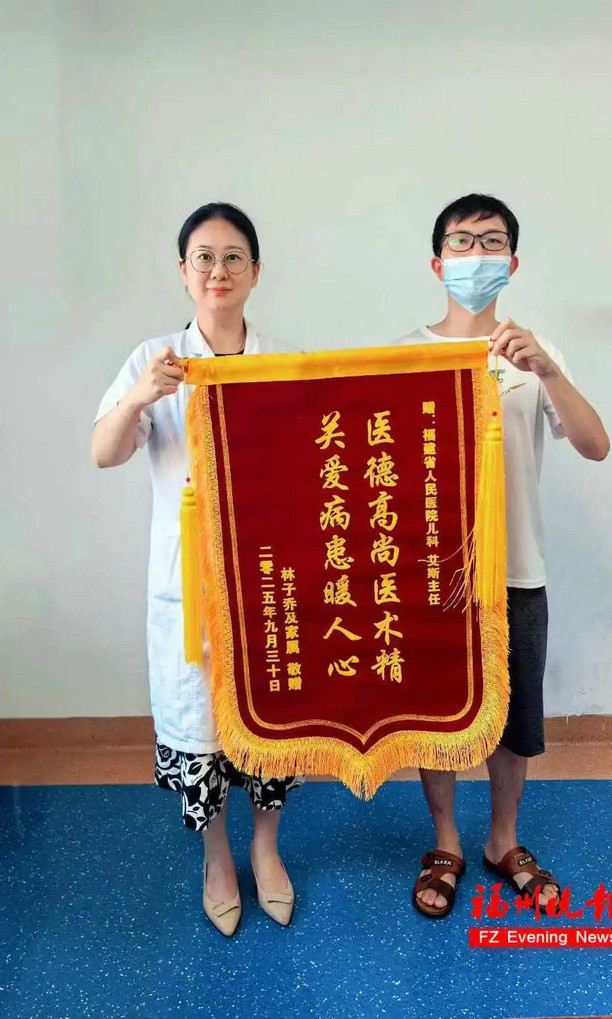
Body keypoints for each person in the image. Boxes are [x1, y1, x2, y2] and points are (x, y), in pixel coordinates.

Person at [391, 193, 610, 919]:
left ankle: (502, 839)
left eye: (491, 242)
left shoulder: (530, 354)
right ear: (437, 263)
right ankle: (447, 841)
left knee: (516, 716)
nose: (476, 254)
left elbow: (595, 444)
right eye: (461, 242)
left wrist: (548, 370)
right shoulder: (403, 355)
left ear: (512, 263)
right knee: (440, 715)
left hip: (517, 565)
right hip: (433, 575)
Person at [92, 203, 301, 936]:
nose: (219, 270)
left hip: (269, 579)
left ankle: (266, 848)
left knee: (273, 720)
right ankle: (216, 858)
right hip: (190, 586)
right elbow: (104, 451)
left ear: (255, 272)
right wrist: (142, 395)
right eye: (204, 257)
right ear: (184, 271)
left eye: (233, 256)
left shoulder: (284, 360)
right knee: (200, 722)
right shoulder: (155, 360)